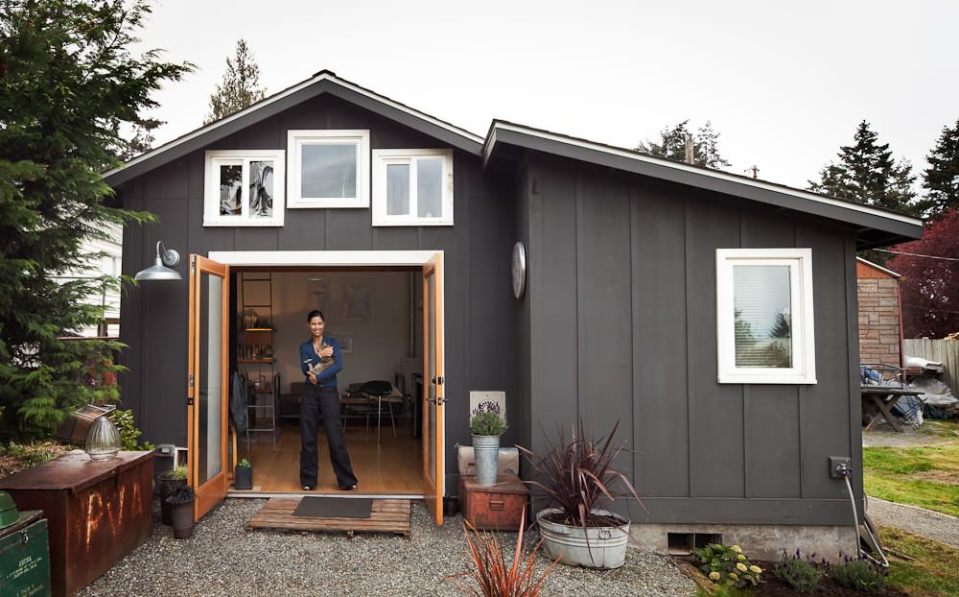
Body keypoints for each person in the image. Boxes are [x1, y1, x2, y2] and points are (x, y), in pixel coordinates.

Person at [297, 310, 358, 491]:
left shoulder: (332, 343)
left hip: (329, 393)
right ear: (308, 325)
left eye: (319, 323)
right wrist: (323, 357)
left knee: (335, 436)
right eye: (313, 324)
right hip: (310, 394)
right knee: (308, 437)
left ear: (324, 324)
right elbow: (304, 369)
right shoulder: (304, 347)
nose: (317, 327)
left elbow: (338, 365)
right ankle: (308, 481)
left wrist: (318, 375)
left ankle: (347, 480)